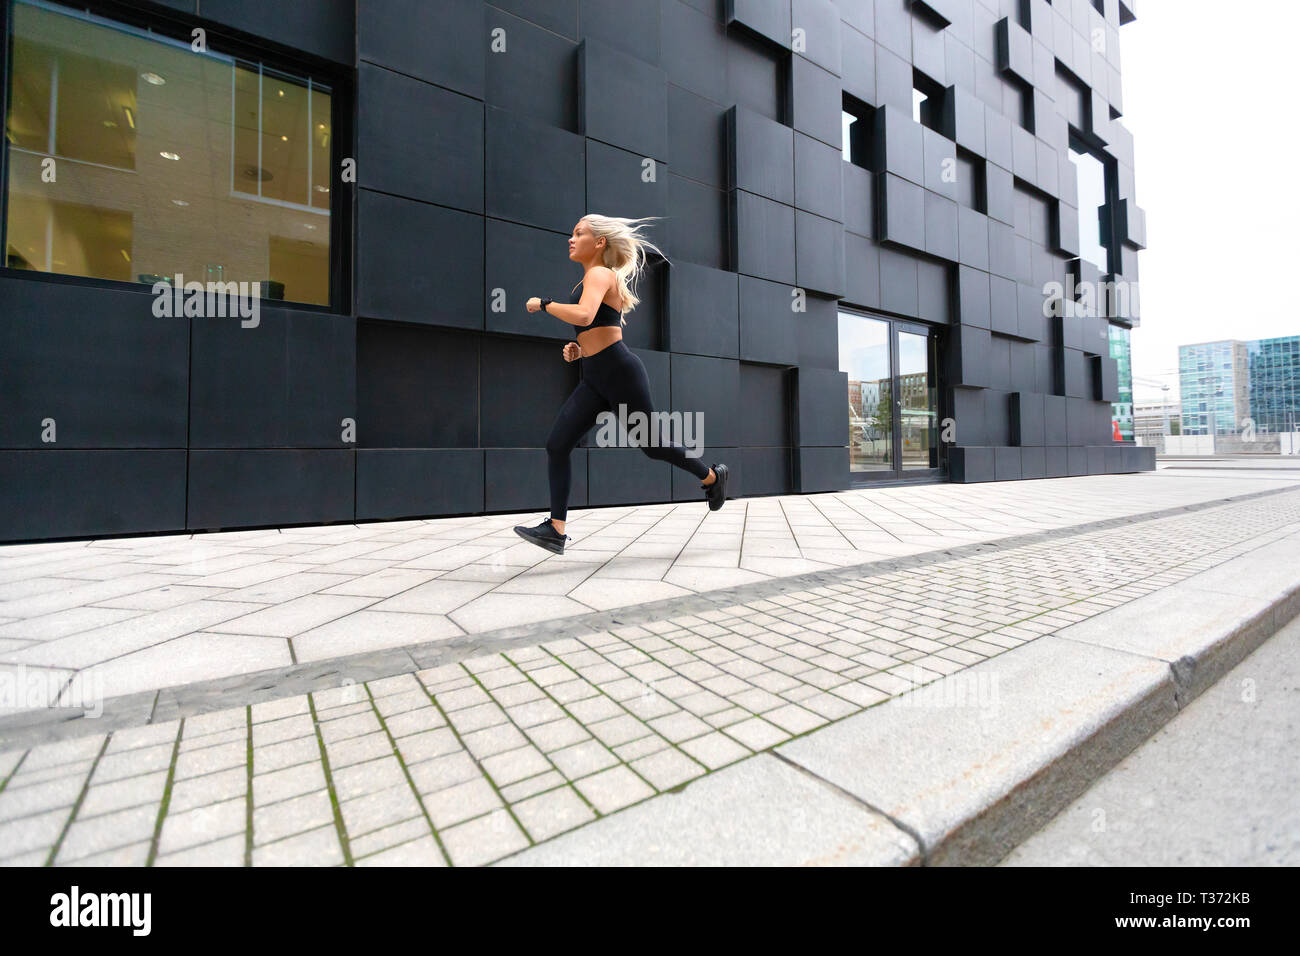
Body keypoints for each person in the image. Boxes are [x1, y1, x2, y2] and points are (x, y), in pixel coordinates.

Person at [514, 214, 729, 554]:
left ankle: (713, 477)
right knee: (557, 444)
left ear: (599, 242)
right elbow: (593, 326)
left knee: (653, 446)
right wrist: (578, 350)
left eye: (579, 233)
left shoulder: (600, 273)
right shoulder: (589, 280)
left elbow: (585, 315)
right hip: (596, 376)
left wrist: (543, 304)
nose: (571, 238)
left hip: (619, 372)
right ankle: (556, 529)